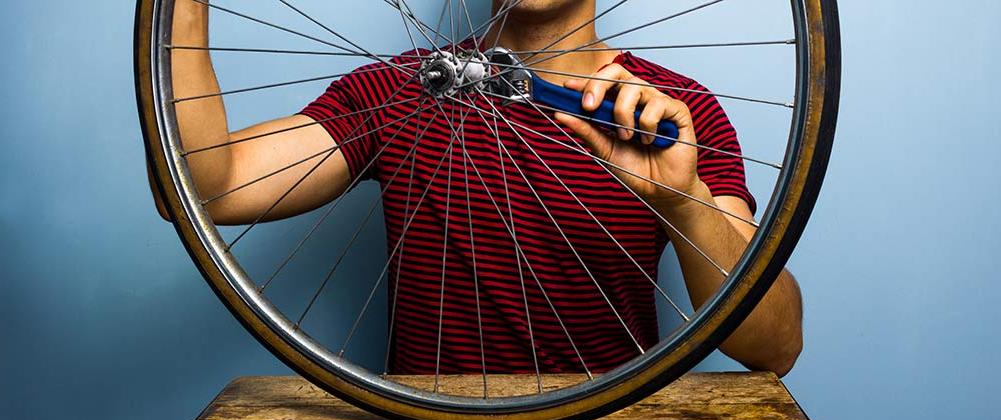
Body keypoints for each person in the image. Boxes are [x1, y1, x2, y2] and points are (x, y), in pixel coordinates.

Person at [162, 0, 803, 376]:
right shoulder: (398, 90)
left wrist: (682, 201)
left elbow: (775, 344)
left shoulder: (674, 112)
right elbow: (202, 190)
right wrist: (181, 9)